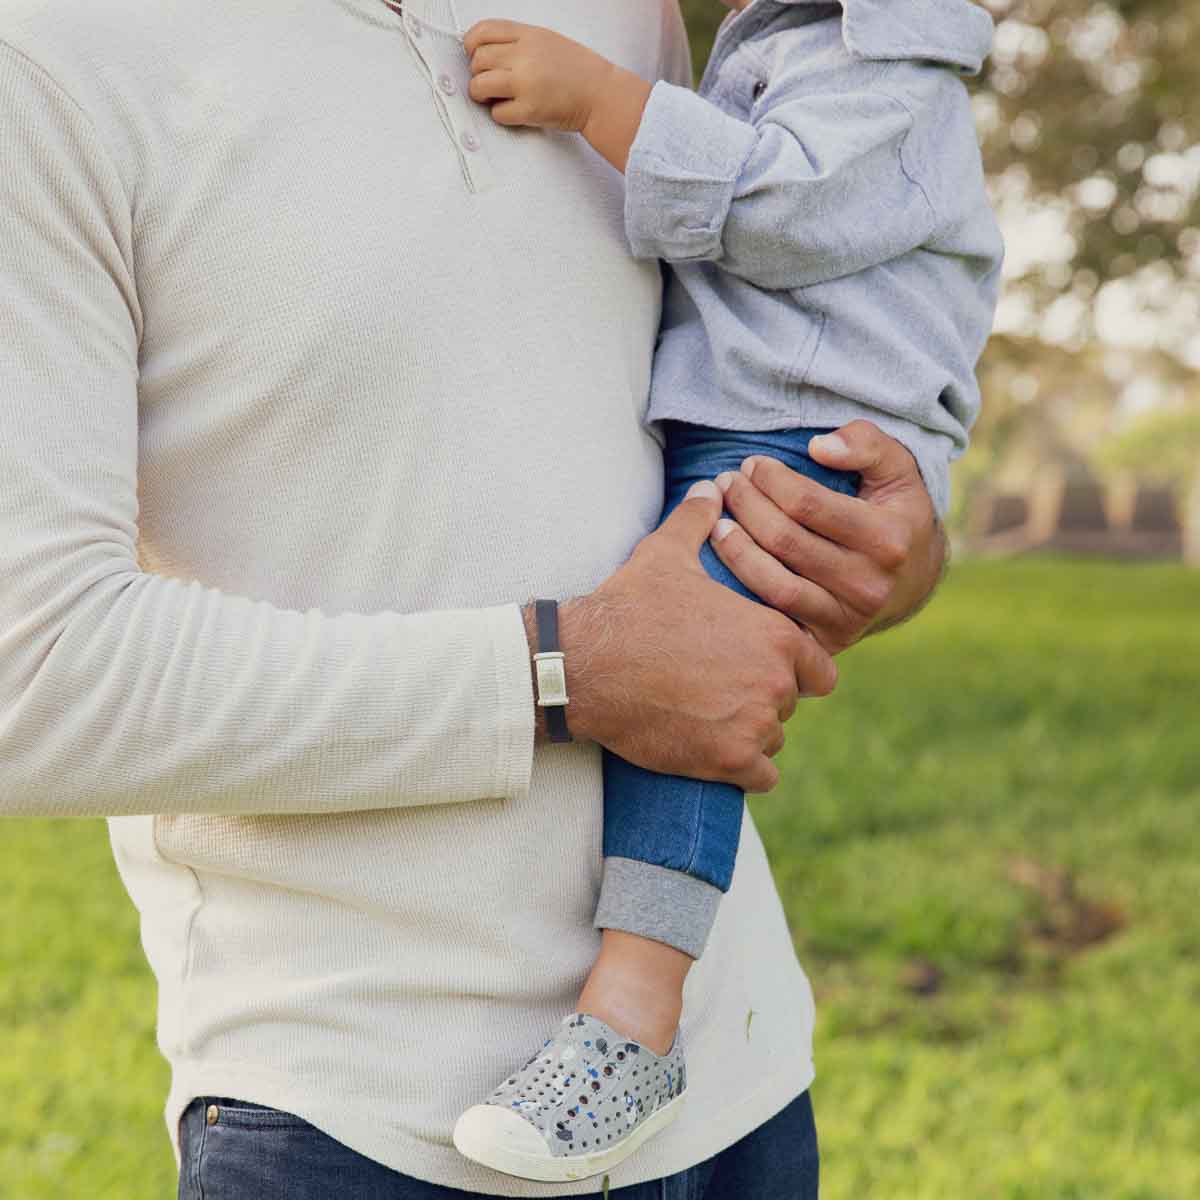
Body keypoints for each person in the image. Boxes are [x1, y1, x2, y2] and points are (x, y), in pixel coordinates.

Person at [1, 1, 953, 1196]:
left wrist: (887, 556)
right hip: (358, 1120)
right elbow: (27, 684)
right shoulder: (45, 62)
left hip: (740, 1092)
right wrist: (571, 669)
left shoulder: (627, 18)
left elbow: (760, 385)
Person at [450, 0, 1002, 1180]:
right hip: (762, 409)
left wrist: (597, 98)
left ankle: (632, 1020)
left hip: (796, 423)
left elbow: (779, 208)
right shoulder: (787, 38)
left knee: (683, 689)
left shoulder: (890, 59)